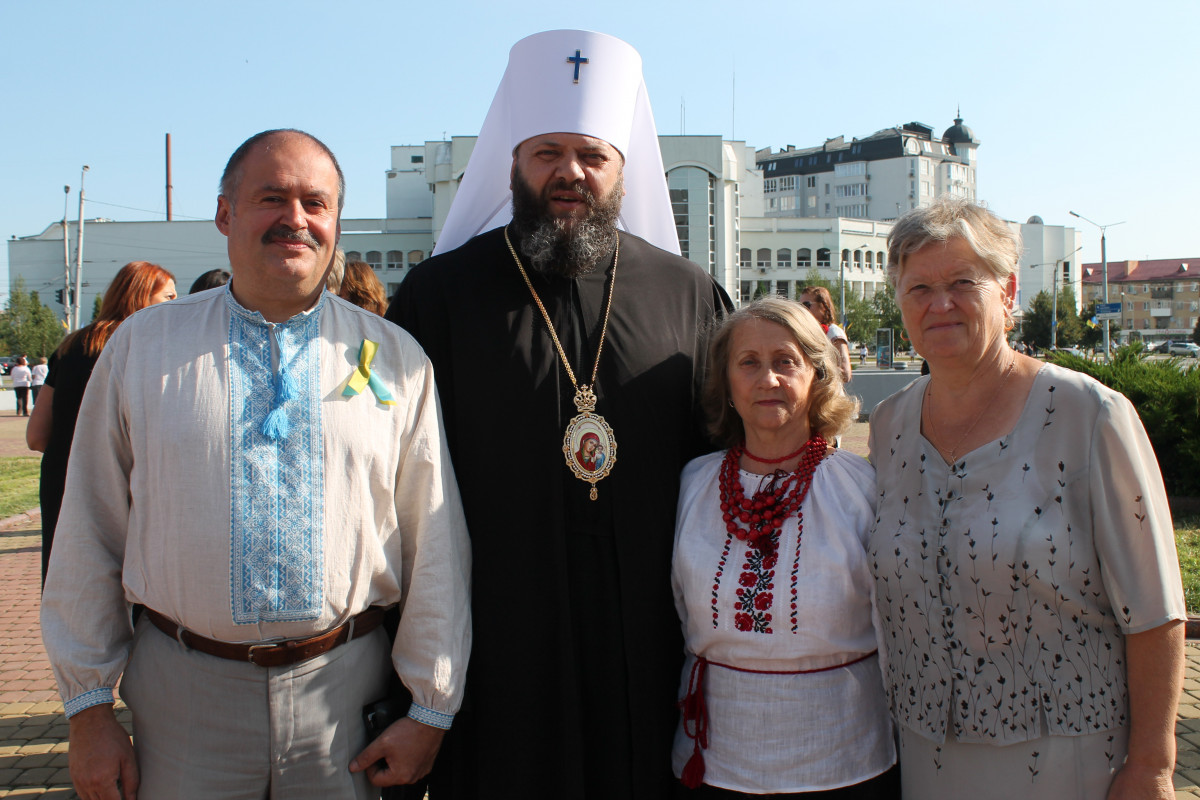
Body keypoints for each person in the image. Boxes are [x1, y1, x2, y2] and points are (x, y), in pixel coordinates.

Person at [41, 129, 471, 799]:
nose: (295, 219)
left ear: (336, 222)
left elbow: (434, 544)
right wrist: (88, 709)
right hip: (184, 700)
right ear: (225, 213)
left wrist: (430, 709)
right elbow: (89, 531)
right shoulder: (143, 349)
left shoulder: (395, 357)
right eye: (271, 198)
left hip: (345, 702)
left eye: (315, 203)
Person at [387, 30, 732, 800]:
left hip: (651, 639)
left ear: (622, 170)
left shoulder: (688, 295)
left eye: (591, 155)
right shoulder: (439, 298)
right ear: (513, 164)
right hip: (501, 641)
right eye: (547, 153)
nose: (569, 172)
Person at [867, 196, 1185, 799]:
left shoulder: (1089, 414)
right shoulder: (888, 426)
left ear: (1008, 290)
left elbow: (1155, 607)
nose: (940, 304)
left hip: (1069, 762)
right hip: (923, 759)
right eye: (919, 288)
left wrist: (1152, 765)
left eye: (963, 282)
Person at [671, 297, 897, 798]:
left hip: (844, 766)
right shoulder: (694, 485)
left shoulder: (860, 488)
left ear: (817, 375)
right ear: (727, 382)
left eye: (785, 361)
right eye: (748, 362)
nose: (767, 379)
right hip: (715, 764)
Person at [26, 261, 176, 585]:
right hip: (131, 482)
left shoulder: (70, 346)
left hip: (64, 479)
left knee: (71, 586)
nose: (177, 305)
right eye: (168, 297)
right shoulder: (151, 345)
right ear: (140, 296)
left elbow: (36, 436)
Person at [797, 286, 852, 383]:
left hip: (829, 391)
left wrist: (815, 368)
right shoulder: (805, 333)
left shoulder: (833, 332)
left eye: (806, 305)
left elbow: (845, 373)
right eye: (799, 306)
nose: (802, 310)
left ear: (822, 306)